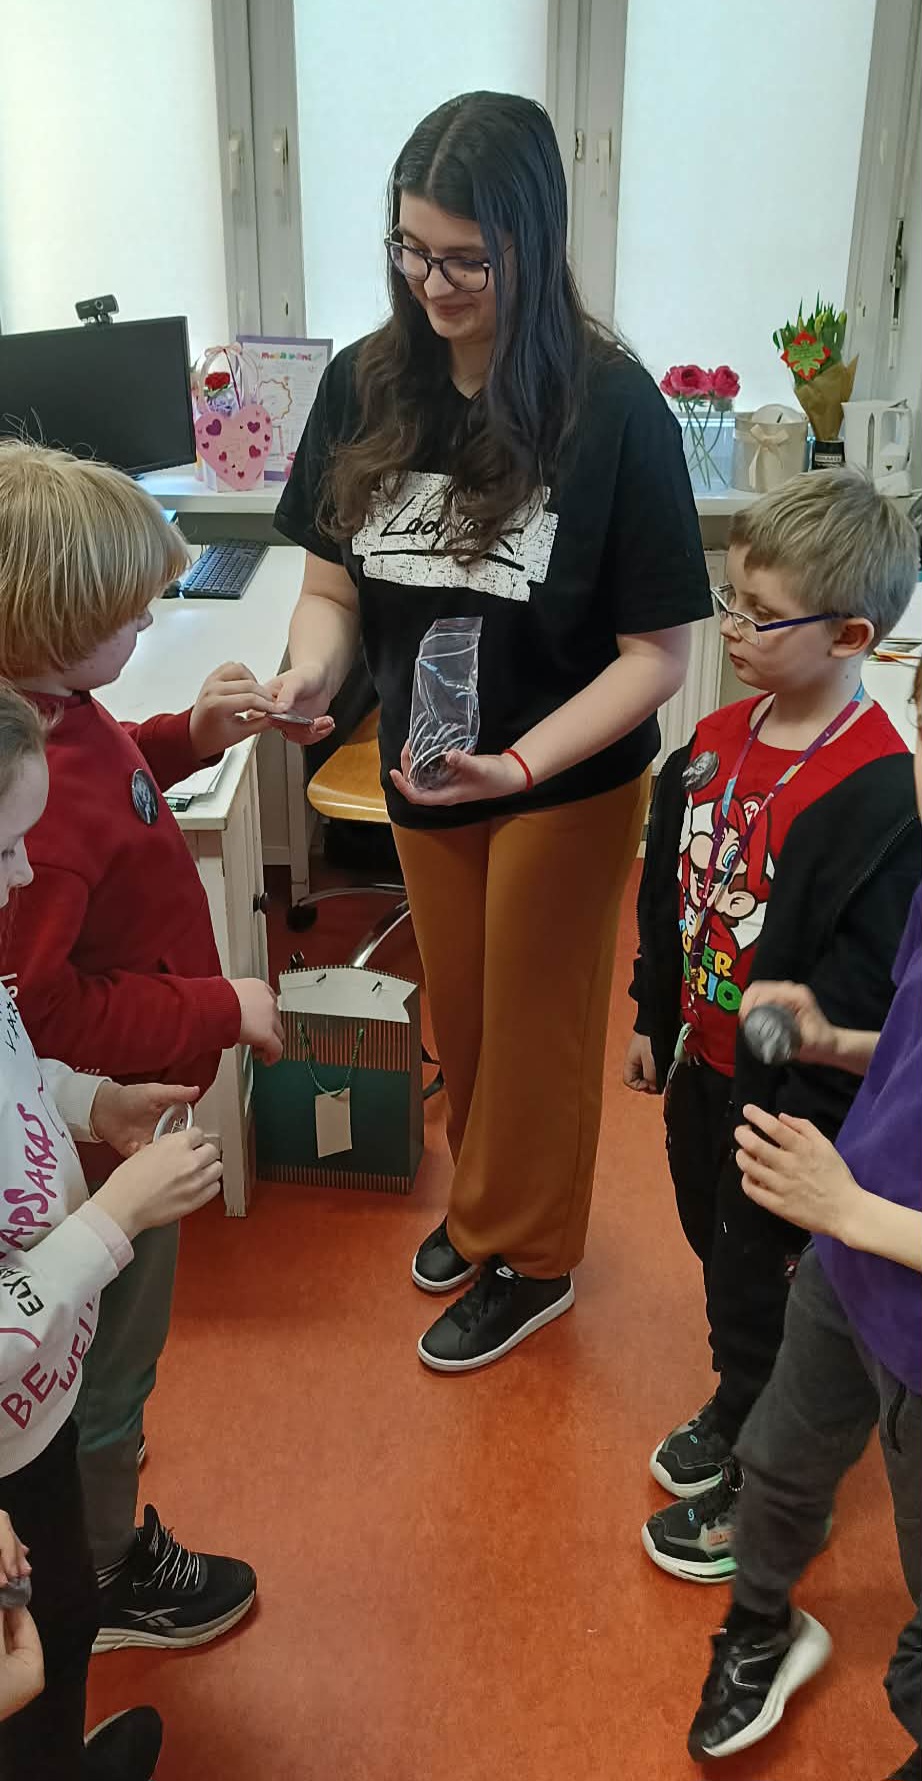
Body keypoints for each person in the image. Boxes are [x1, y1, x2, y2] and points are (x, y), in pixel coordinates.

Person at [271, 90, 711, 1372]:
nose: (433, 283)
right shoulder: (365, 383)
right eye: (411, 250)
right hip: (427, 767)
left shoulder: (613, 410)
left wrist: (518, 762)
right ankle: (483, 1209)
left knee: (536, 1030)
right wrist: (307, 676)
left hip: (559, 777)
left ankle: (536, 1256)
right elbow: (331, 589)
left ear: (532, 241)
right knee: (462, 1019)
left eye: (465, 258)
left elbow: (657, 658)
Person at [0, 440, 284, 1651]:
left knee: (99, 1368)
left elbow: (110, 774)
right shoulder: (38, 814)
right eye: (128, 617)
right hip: (97, 1152)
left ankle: (89, 1500)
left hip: (105, 1123)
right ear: (58, 628)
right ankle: (108, 1569)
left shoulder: (47, 719)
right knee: (108, 1365)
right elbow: (42, 1014)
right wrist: (219, 1005)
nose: (148, 624)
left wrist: (187, 734)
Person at [624, 470, 919, 1574]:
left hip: (789, 1104)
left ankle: (771, 1465)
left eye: (763, 613)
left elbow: (863, 991)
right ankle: (739, 1395)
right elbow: (666, 895)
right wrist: (651, 1011)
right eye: (730, 600)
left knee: (761, 1276)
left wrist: (807, 1125)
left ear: (850, 635)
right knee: (714, 1245)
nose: (733, 629)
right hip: (700, 1064)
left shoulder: (880, 795)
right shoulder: (709, 739)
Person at [686, 660, 922, 1776]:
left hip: (894, 1274)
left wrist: (850, 1209)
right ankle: (762, 1623)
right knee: (779, 1461)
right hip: (855, 1260)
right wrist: (838, 1043)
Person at [0, 680, 224, 1778]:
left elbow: (18, 1062)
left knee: (67, 1611)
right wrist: (115, 1214)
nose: (22, 875)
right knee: (23, 1663)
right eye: (3, 848)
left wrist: (94, 1102)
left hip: (33, 1420)